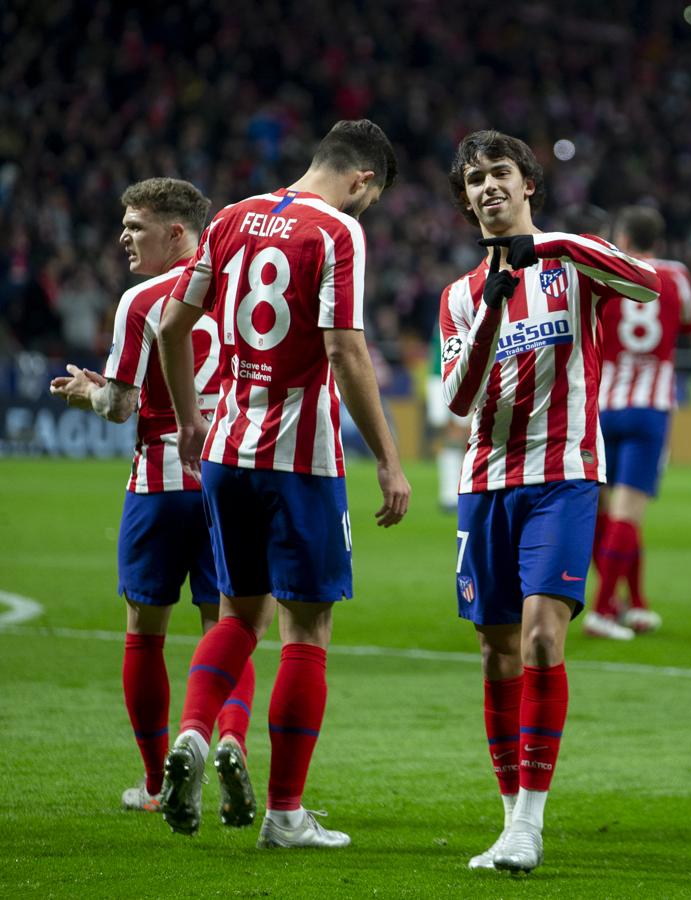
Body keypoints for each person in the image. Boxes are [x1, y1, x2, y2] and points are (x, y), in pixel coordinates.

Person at [157, 119, 411, 849]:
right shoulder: (336, 231)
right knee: (306, 627)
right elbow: (343, 349)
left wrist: (189, 420)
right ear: (362, 180)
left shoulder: (231, 217)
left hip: (228, 449)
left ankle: (196, 734)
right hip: (300, 461)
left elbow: (174, 328)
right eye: (371, 197)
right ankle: (284, 814)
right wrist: (390, 460)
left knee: (237, 616)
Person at [440, 130, 659, 873]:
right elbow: (459, 399)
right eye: (474, 179)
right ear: (466, 198)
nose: (486, 187)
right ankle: (508, 821)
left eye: (499, 172)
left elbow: (647, 283)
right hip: (484, 484)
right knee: (497, 651)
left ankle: (531, 824)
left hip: (564, 475)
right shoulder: (460, 297)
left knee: (540, 638)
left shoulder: (572, 262)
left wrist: (555, 246)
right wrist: (497, 305)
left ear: (527, 184)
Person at [48, 177, 258, 824]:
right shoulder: (244, 288)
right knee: (229, 626)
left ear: (177, 233)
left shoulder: (145, 300)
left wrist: (90, 393)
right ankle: (227, 744)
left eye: (136, 226)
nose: (124, 238)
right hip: (232, 480)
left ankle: (153, 780)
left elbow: (120, 407)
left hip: (162, 485)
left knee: (145, 631)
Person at [587, 205, 691, 640]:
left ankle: (633, 604)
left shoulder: (606, 270)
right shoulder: (677, 275)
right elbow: (688, 324)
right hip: (649, 408)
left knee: (606, 512)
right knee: (628, 515)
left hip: (601, 405)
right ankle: (601, 610)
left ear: (624, 239)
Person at [426, 322, 471, 511]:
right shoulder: (450, 304)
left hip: (461, 377)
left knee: (458, 435)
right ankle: (449, 493)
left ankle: (453, 493)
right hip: (439, 377)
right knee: (449, 435)